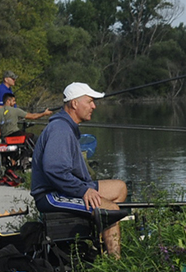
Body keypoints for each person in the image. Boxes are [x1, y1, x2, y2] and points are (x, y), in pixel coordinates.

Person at [30, 82, 128, 256]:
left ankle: (101, 240)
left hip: (64, 188)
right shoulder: (60, 129)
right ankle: (115, 262)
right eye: (89, 101)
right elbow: (54, 169)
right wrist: (83, 190)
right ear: (75, 104)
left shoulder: (66, 126)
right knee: (111, 210)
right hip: (50, 195)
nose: (94, 106)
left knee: (119, 188)